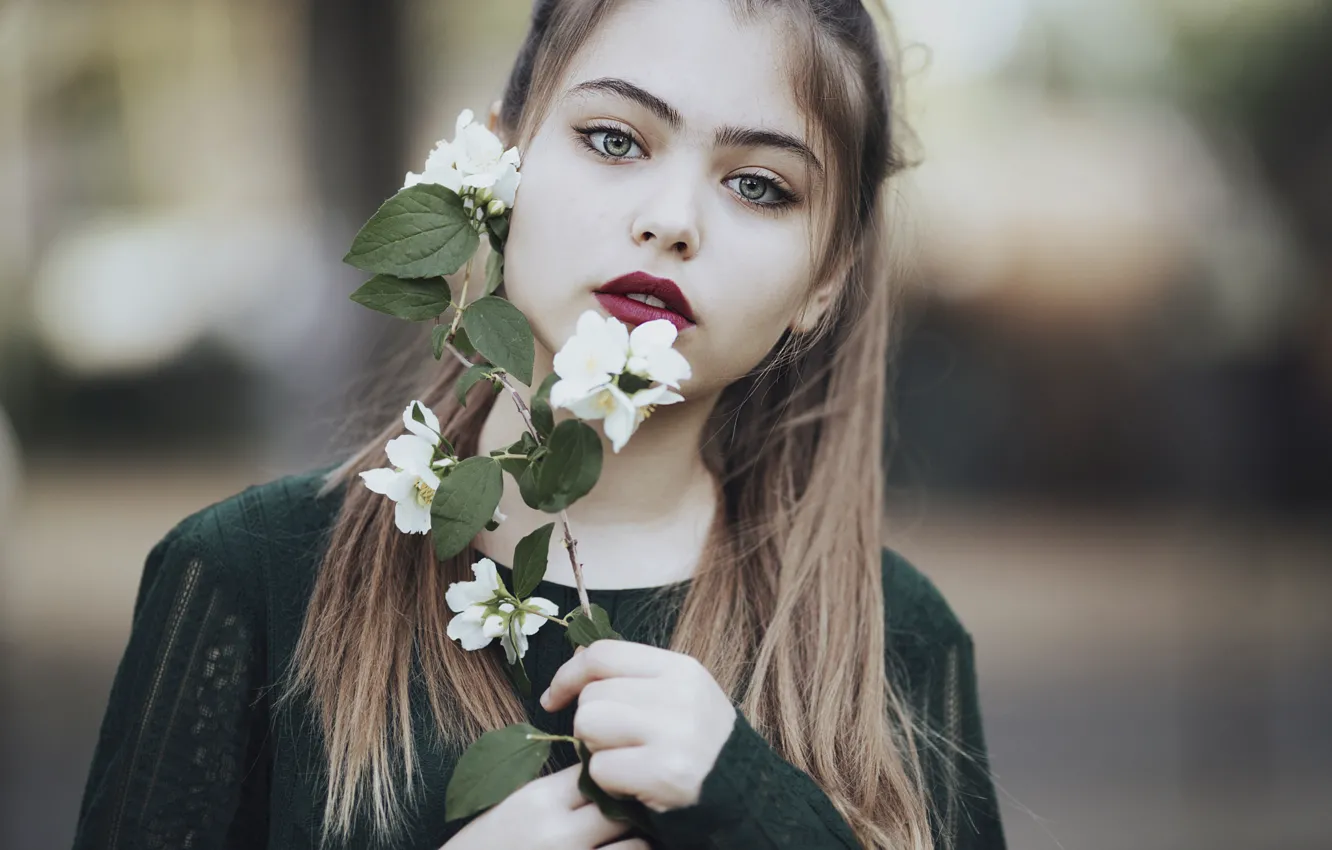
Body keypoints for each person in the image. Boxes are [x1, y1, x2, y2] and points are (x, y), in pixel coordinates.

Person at [72, 0, 1007, 848]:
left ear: (826, 281)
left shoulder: (896, 639)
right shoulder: (249, 581)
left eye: (759, 186)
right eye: (613, 138)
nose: (672, 219)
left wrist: (761, 808)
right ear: (500, 163)